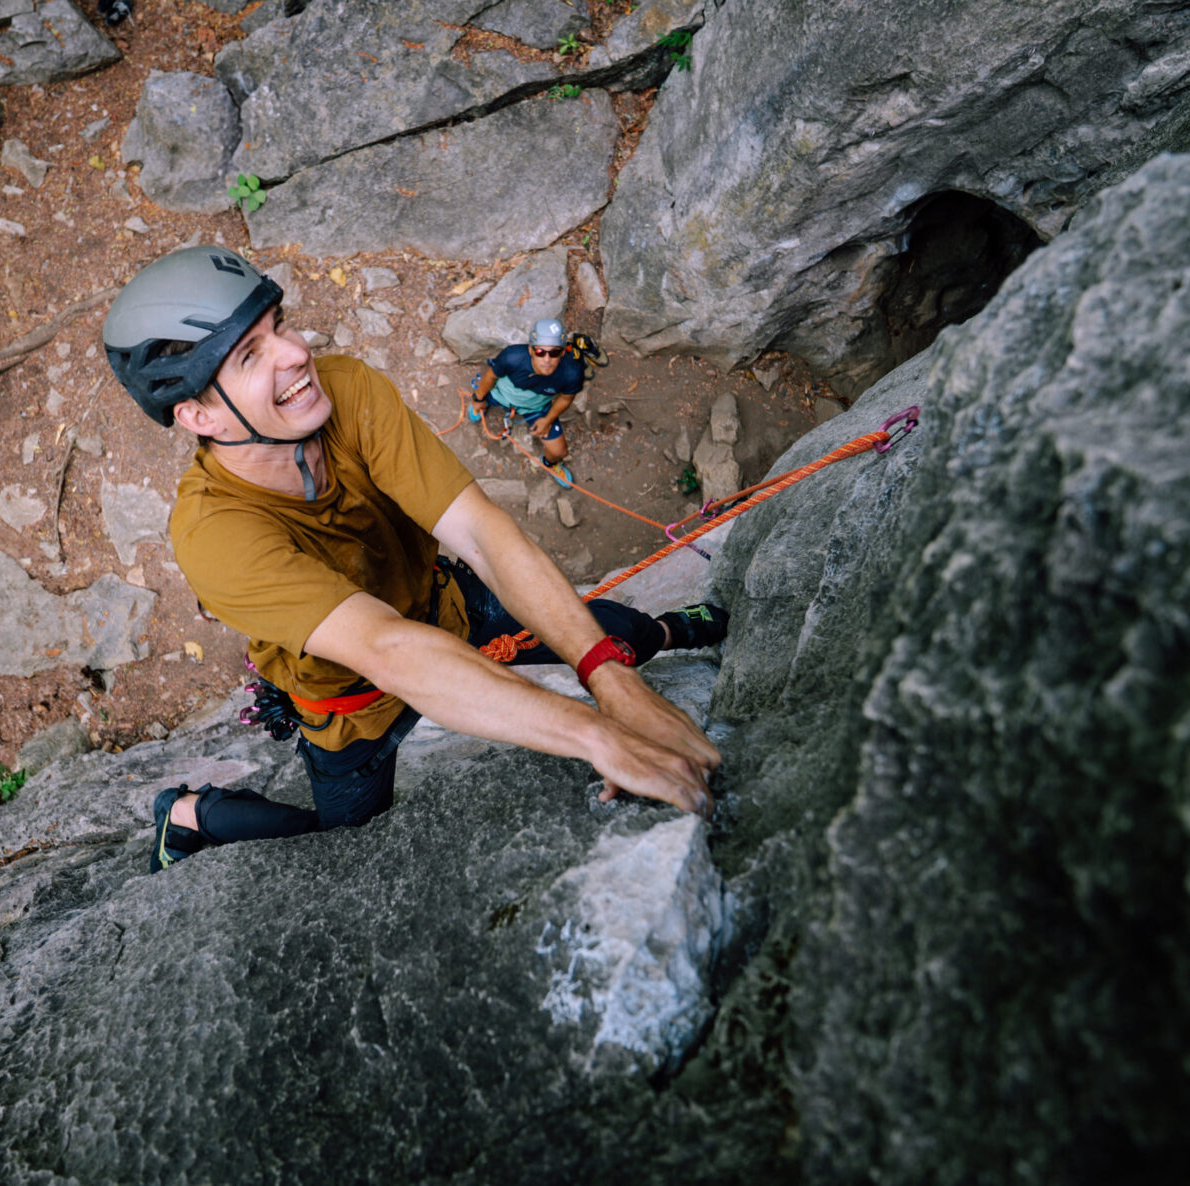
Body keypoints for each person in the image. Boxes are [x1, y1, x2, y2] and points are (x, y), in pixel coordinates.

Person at [102, 246, 729, 872]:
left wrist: (612, 683)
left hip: (445, 607)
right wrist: (601, 737)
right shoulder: (215, 534)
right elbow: (387, 649)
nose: (296, 354)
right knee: (343, 848)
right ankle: (191, 813)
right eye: (249, 356)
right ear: (197, 415)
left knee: (616, 637)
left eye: (279, 327)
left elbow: (481, 533)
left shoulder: (344, 389)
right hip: (353, 702)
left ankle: (674, 628)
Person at [467, 317, 587, 488]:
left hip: (536, 407)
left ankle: (551, 464)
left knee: (559, 451)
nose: (547, 359)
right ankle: (483, 404)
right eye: (540, 352)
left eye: (554, 353)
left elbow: (566, 398)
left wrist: (547, 420)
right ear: (531, 350)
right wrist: (478, 399)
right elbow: (491, 376)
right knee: (481, 398)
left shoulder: (572, 373)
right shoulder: (512, 357)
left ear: (562, 353)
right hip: (500, 394)